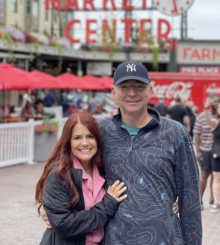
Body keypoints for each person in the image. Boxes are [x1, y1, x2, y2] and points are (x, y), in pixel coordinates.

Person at [41, 61, 202, 244]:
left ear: (150, 91)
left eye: (139, 87)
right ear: (113, 93)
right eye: (124, 87)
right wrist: (48, 207)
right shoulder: (100, 132)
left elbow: (190, 197)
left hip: (164, 238)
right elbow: (65, 164)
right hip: (113, 240)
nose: (132, 93)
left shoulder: (175, 133)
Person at [35, 111, 128, 245]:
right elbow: (63, 225)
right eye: (77, 137)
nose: (84, 143)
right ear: (68, 142)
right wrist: (107, 206)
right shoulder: (59, 175)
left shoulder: (105, 172)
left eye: (90, 136)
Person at [193, 105, 214, 210]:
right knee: (205, 174)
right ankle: (199, 200)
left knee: (215, 176)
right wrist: (198, 151)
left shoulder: (217, 117)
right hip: (205, 150)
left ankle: (213, 198)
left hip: (216, 151)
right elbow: (196, 134)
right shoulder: (201, 117)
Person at [204, 97, 220, 213]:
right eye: (219, 107)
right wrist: (206, 107)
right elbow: (208, 119)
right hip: (217, 153)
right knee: (217, 178)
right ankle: (216, 202)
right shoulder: (215, 122)